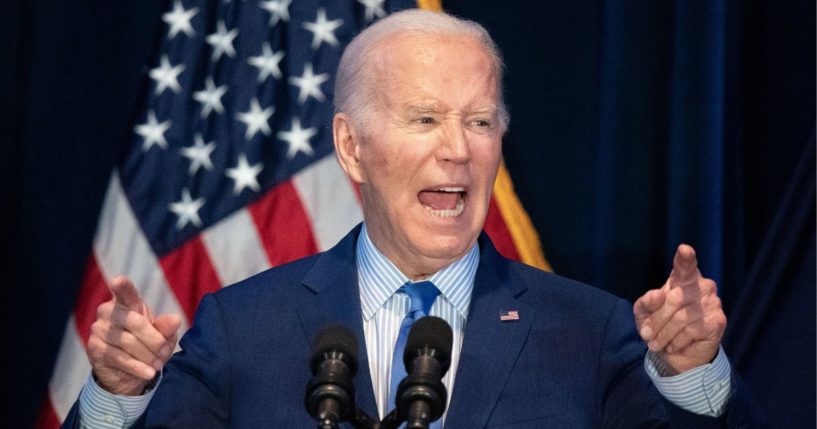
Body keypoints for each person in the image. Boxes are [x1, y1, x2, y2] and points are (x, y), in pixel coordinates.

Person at [62, 9, 761, 428]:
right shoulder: (242, 330)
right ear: (351, 146)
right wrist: (118, 399)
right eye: (424, 119)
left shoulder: (588, 332)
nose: (457, 149)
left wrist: (689, 374)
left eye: (479, 121)